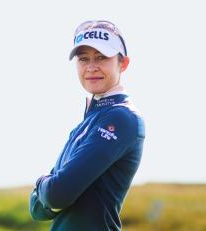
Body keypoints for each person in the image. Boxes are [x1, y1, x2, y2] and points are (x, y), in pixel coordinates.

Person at [29, 19, 145, 231]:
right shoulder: (89, 121)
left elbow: (57, 195)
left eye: (101, 57)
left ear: (123, 63)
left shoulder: (121, 118)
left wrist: (40, 182)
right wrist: (51, 192)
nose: (91, 67)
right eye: (84, 59)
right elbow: (37, 209)